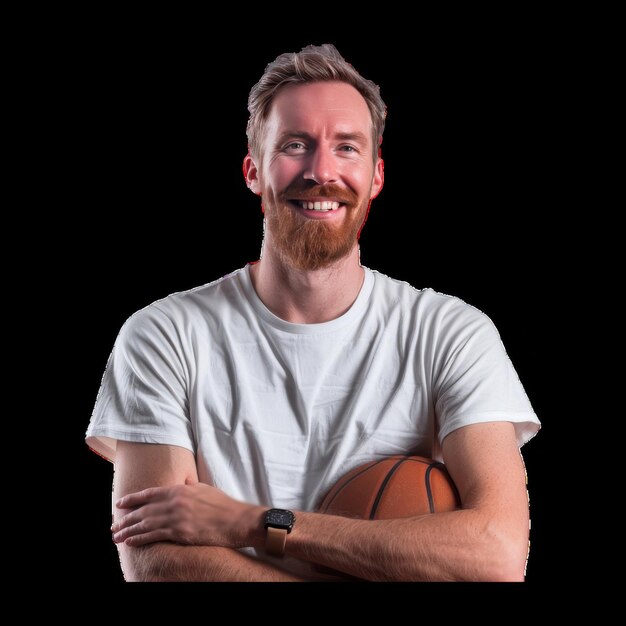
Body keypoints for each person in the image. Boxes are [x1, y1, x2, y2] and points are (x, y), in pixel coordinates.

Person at [86, 44, 540, 582]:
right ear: (254, 172)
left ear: (376, 176)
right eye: (295, 145)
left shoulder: (451, 334)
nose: (321, 171)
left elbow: (498, 553)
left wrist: (254, 523)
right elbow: (156, 561)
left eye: (347, 148)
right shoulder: (163, 335)